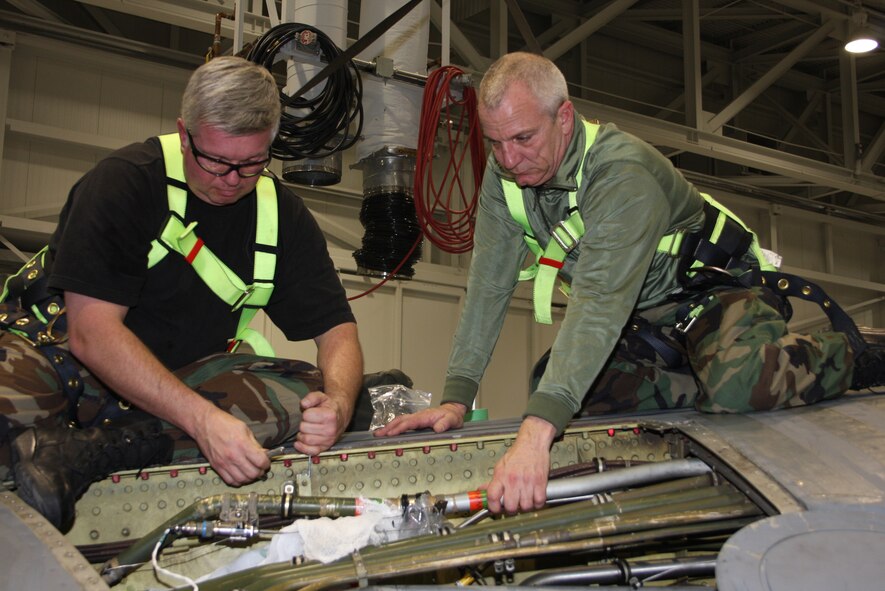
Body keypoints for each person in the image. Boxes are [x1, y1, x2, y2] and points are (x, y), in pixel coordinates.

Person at [375, 52, 885, 515]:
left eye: (523, 138)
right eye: (495, 142)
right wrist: (455, 398)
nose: (508, 160)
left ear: (565, 118)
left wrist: (535, 435)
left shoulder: (622, 173)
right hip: (646, 321)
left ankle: (851, 355)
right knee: (561, 386)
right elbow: (487, 287)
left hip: (712, 295)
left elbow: (597, 304)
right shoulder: (506, 179)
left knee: (737, 384)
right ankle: (699, 384)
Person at [0, 56, 369, 532]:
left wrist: (338, 404)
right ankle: (69, 442)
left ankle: (91, 451)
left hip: (172, 387)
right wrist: (202, 422)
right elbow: (91, 334)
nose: (231, 179)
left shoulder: (284, 218)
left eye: (252, 163)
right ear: (183, 131)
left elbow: (338, 332)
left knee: (308, 390)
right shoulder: (126, 181)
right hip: (60, 363)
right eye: (215, 160)